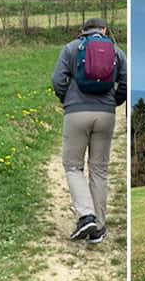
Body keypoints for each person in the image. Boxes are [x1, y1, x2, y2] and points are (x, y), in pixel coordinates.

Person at [51, 17, 127, 243]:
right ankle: (99, 228)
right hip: (106, 114)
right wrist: (113, 102)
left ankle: (85, 215)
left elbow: (57, 79)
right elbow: (124, 82)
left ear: (82, 31)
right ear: (104, 30)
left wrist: (67, 98)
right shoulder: (116, 52)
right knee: (99, 169)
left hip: (76, 113)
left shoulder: (72, 48)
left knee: (73, 166)